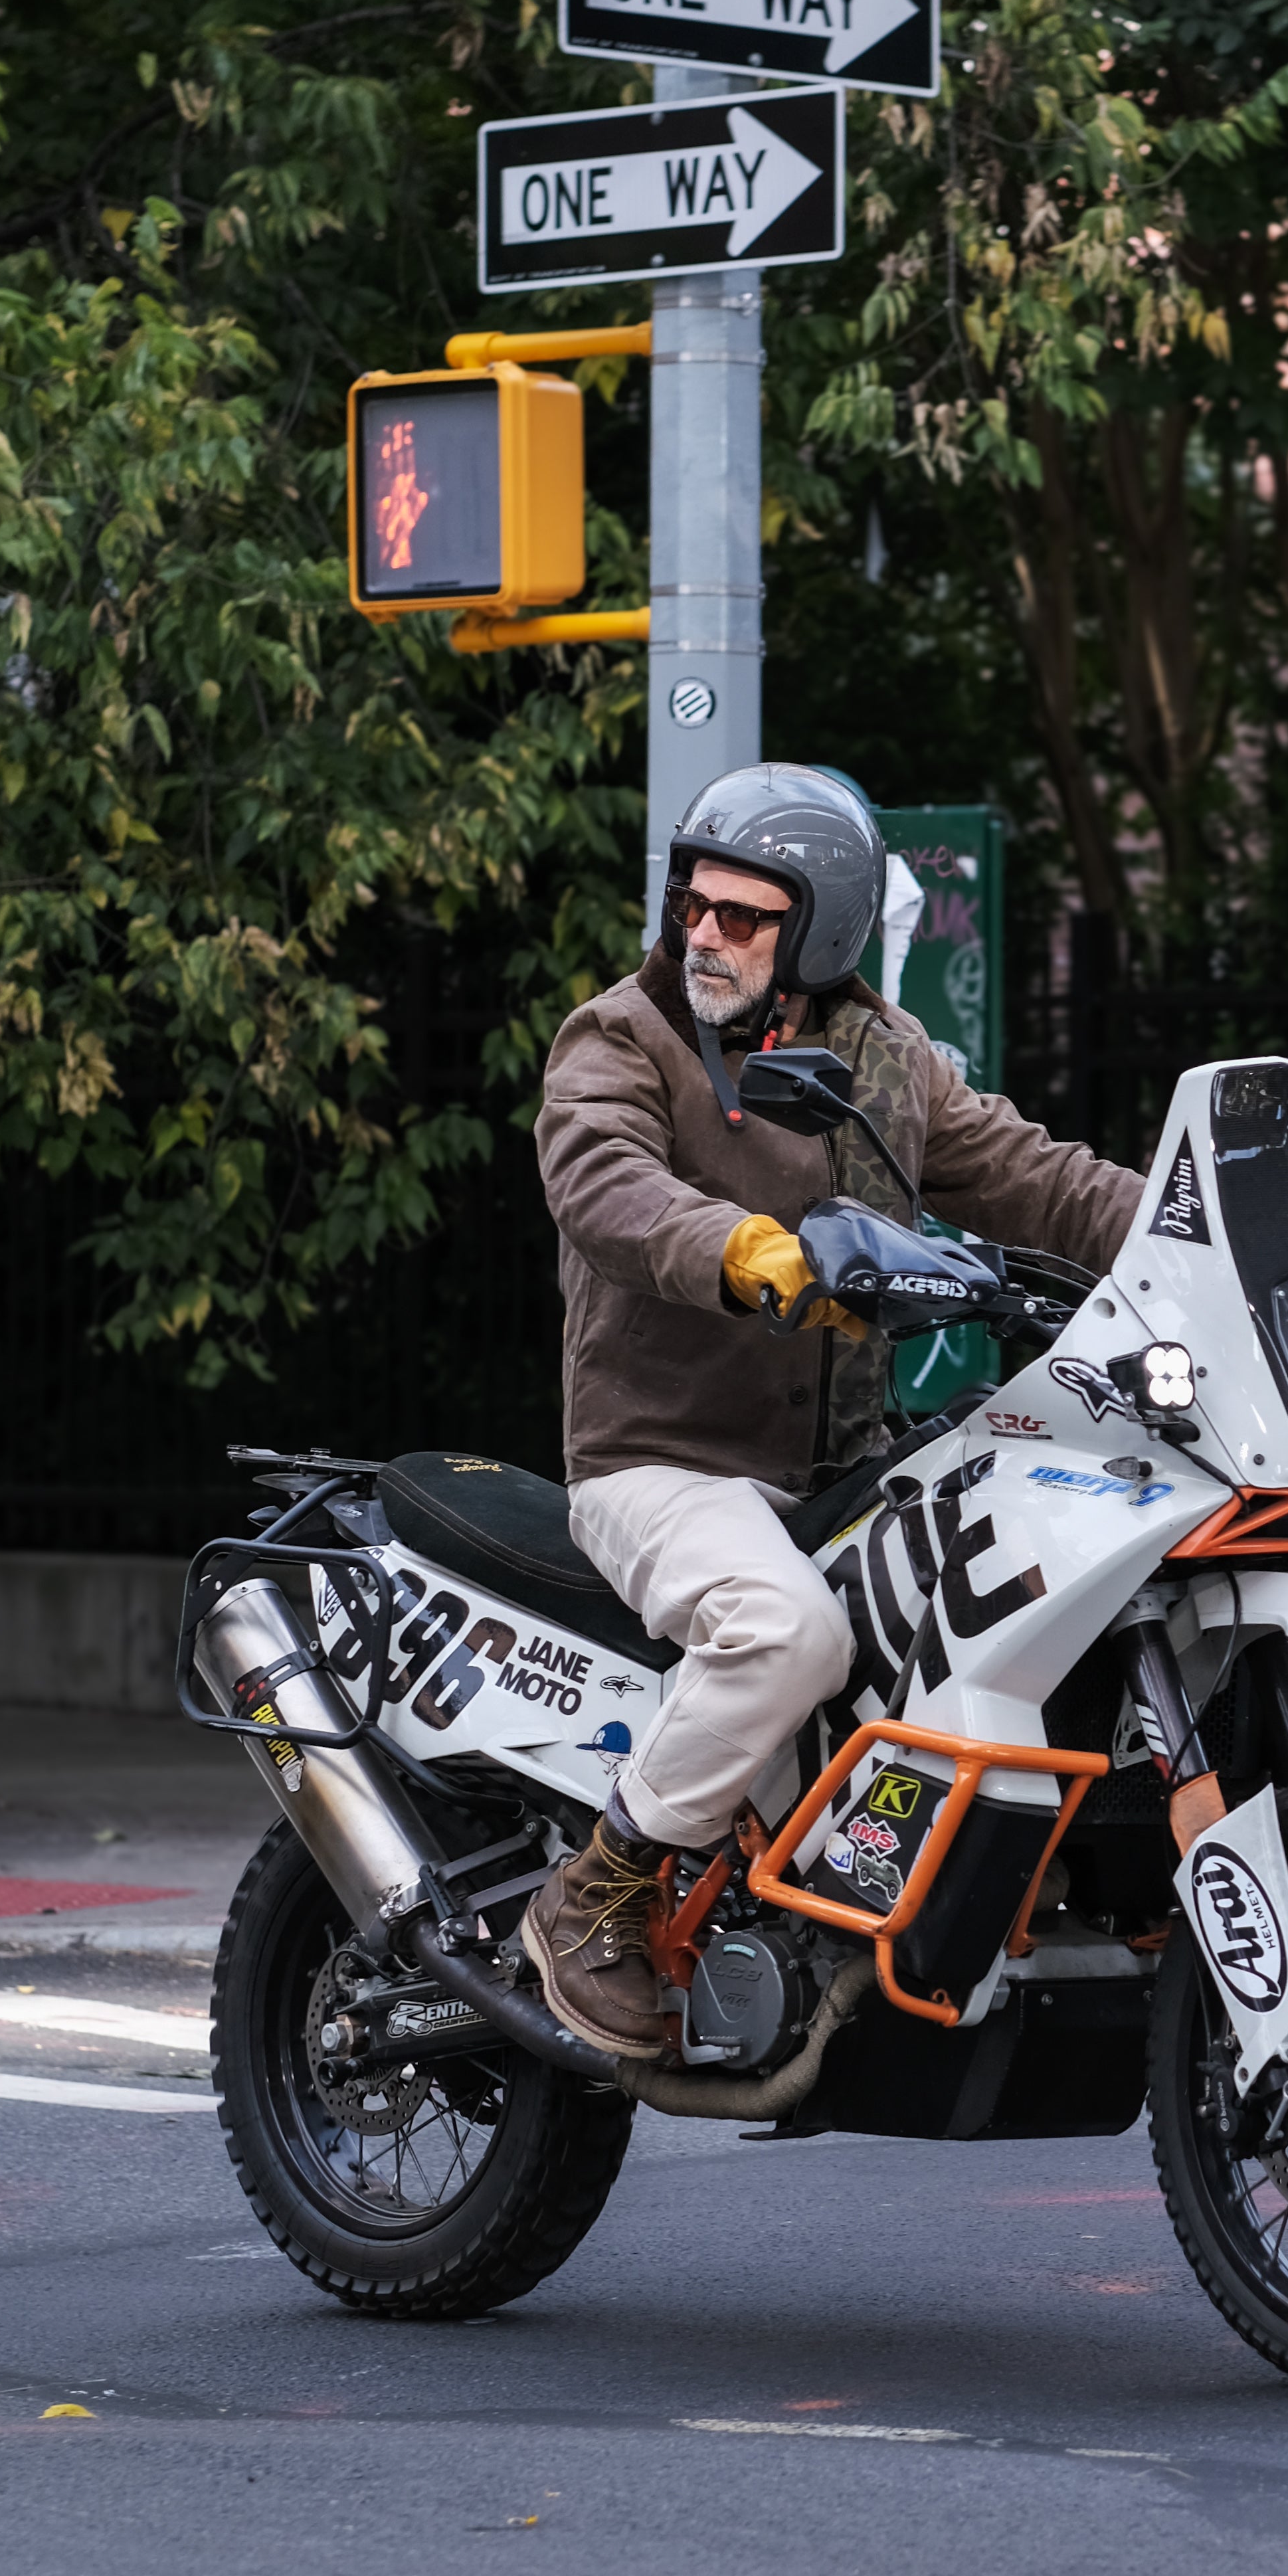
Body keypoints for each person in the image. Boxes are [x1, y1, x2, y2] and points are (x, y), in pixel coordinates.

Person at [520, 764, 1143, 2059]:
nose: (703, 932)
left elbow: (1034, 1177)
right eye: (695, 904)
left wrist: (1211, 1230)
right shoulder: (619, 1037)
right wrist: (741, 1246)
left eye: (743, 916)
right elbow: (604, 1179)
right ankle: (595, 1896)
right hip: (662, 1460)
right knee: (787, 1633)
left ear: (819, 931)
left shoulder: (883, 1056)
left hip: (837, 1469)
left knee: (1023, 1583)